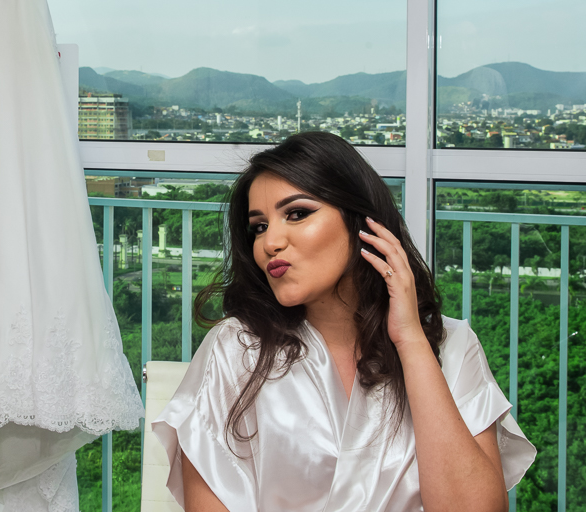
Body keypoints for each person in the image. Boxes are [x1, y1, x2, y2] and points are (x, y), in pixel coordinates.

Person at [153, 132, 535, 512]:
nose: (270, 243)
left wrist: (412, 343)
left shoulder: (451, 346)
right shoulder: (235, 349)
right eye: (259, 226)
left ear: (362, 222)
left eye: (297, 213)